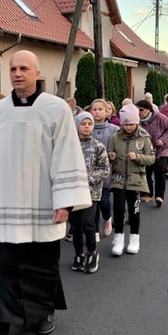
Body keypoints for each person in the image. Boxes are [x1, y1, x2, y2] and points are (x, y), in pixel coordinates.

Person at [0, 50, 91, 335]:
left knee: (42, 265)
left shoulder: (56, 109)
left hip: (45, 203)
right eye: (12, 68)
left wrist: (65, 200)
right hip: (7, 205)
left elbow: (67, 154)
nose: (17, 73)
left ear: (37, 74)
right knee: (1, 267)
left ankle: (44, 312)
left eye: (23, 68)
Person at [108, 104, 155, 256]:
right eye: (125, 124)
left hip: (136, 181)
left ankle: (134, 239)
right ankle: (118, 238)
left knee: (134, 211)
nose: (128, 127)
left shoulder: (144, 137)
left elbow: (151, 158)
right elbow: (109, 154)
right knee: (119, 209)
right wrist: (111, 157)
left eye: (131, 124)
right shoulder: (115, 137)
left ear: (137, 123)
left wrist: (138, 157)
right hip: (119, 179)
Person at [70, 111, 109, 274]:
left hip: (91, 193)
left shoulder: (98, 146)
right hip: (72, 193)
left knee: (88, 223)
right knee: (75, 226)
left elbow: (104, 169)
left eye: (89, 124)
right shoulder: (69, 146)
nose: (86, 127)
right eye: (83, 124)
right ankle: (79, 254)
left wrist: (87, 178)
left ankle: (92, 252)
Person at [136, 100, 168, 208]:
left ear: (148, 109)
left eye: (141, 110)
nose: (139, 112)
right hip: (145, 150)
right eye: (137, 110)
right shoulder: (137, 120)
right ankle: (148, 193)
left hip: (160, 149)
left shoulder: (160, 117)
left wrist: (163, 140)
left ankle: (159, 195)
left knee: (159, 172)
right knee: (147, 172)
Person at [90, 98, 118, 241]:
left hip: (106, 173)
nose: (97, 112)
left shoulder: (113, 129)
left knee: (104, 202)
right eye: (94, 109)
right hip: (90, 173)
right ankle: (94, 230)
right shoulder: (87, 127)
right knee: (92, 203)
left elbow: (119, 146)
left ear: (107, 112)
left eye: (100, 109)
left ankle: (107, 218)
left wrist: (113, 155)